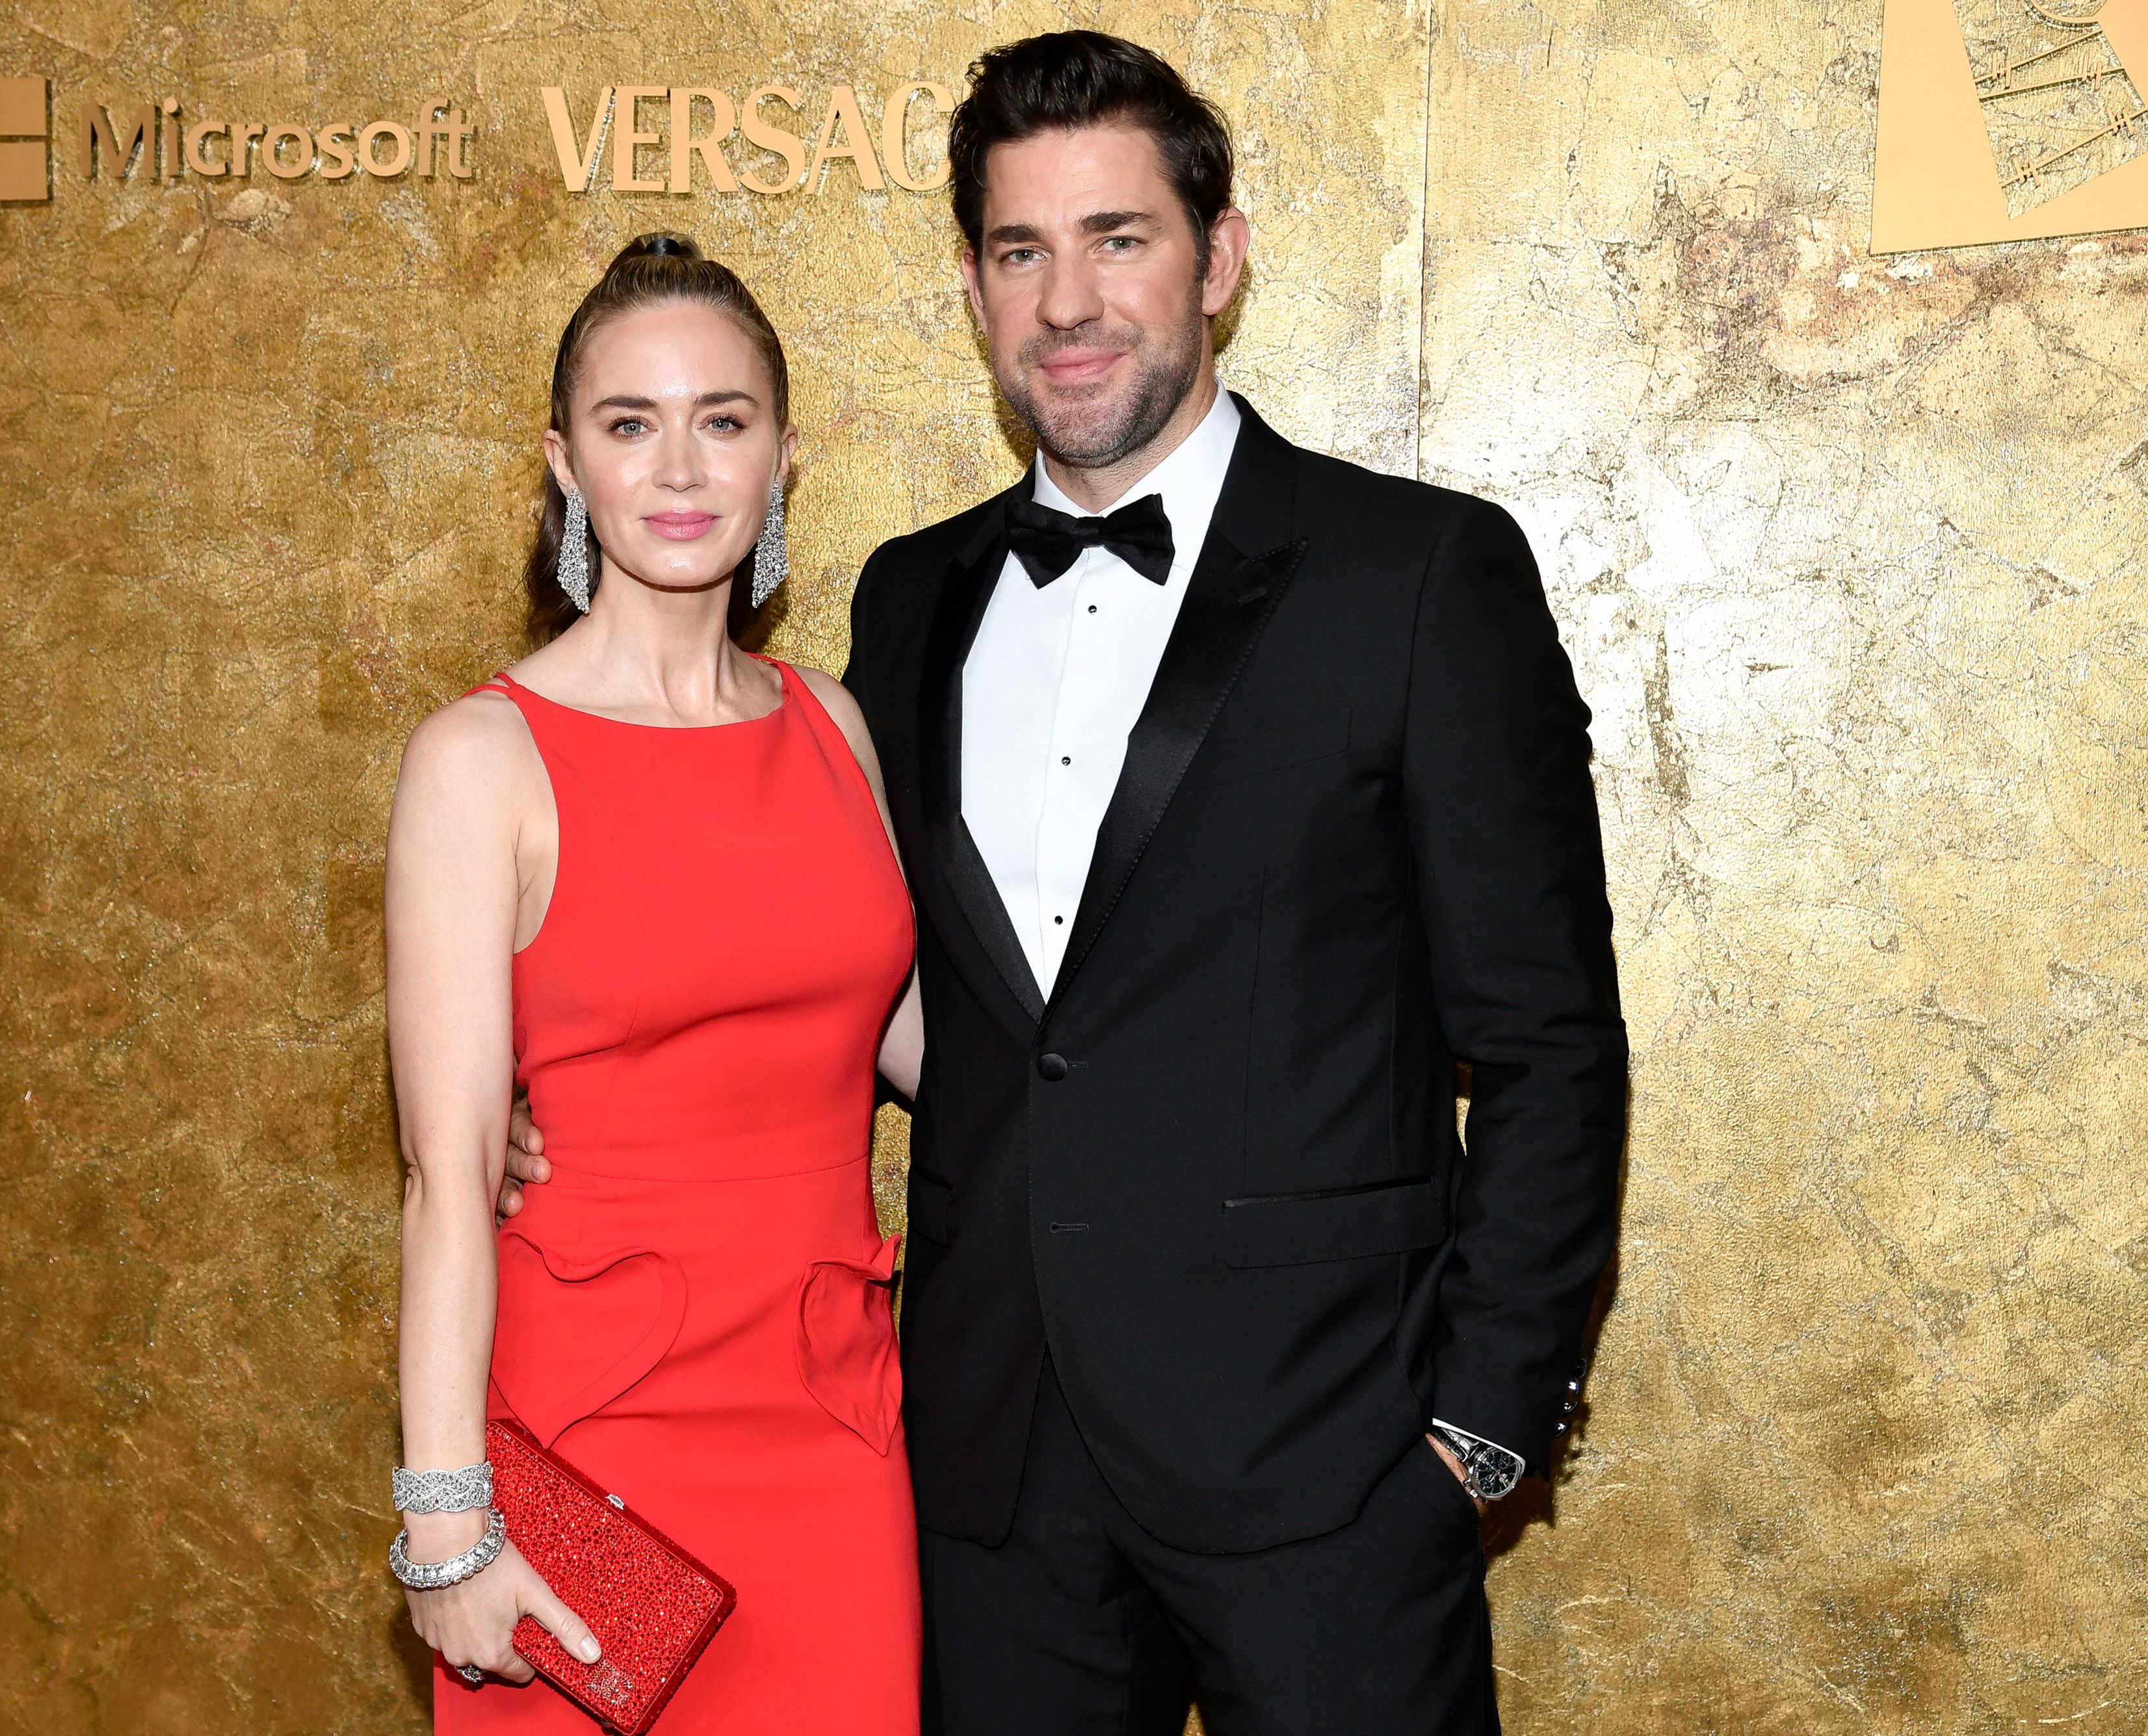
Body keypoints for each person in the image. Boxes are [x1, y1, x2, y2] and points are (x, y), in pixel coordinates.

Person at [504, 31, 1627, 1734]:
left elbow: (1548, 1039)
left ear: (1220, 257)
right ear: (971, 287)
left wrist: (1475, 1429)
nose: (1068, 300)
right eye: (1022, 251)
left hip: (1327, 1476)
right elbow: (853, 978)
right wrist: (551, 1087)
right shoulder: (909, 602)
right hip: (990, 1481)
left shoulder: (1417, 575)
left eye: (1119, 238)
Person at [384, 233, 923, 1734]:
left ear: (785, 455)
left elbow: (950, 1052)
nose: (680, 468)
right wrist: (445, 1521)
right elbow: (445, 1180)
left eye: (724, 419)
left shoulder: (836, 727)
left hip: (834, 1429)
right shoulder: (481, 760)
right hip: (589, 1436)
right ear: (565, 464)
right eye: (631, 424)